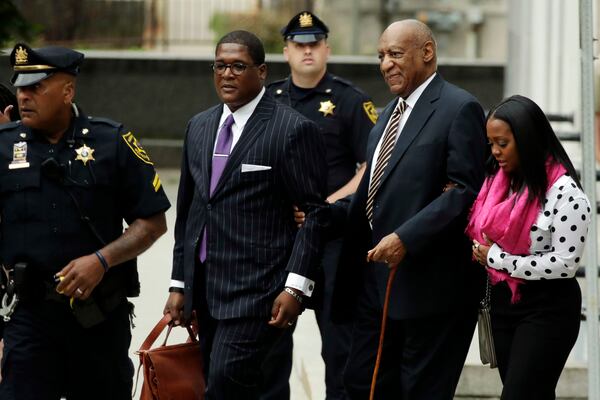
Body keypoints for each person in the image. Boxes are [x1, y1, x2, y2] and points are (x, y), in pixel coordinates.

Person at [326, 20, 487, 399]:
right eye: (381, 56)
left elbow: (465, 190)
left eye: (395, 54)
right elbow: (374, 189)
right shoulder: (386, 115)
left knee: (419, 390)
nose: (385, 65)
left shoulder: (459, 107)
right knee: (362, 384)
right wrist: (324, 212)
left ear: (427, 52)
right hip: (374, 286)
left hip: (428, 287)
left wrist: (405, 238)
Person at [163, 30, 328, 400]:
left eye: (239, 66)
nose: (227, 74)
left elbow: (316, 216)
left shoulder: (292, 130)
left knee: (223, 386)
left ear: (263, 72)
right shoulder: (200, 126)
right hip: (204, 291)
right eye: (220, 66)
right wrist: (179, 284)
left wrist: (295, 287)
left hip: (258, 292)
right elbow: (190, 212)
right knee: (231, 385)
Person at [0, 43, 170, 400]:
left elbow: (153, 222)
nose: (23, 96)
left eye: (35, 87)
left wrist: (102, 260)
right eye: (20, 87)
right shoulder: (4, 146)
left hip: (98, 318)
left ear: (67, 90)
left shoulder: (112, 141)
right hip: (29, 319)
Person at [264, 11, 376, 399]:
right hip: (281, 239)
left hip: (334, 243)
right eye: (299, 44)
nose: (307, 51)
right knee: (271, 342)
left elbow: (370, 166)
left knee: (340, 347)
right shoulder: (268, 100)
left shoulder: (350, 101)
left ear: (327, 48)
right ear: (286, 51)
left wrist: (326, 207)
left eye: (314, 44)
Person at [467, 95, 590, 399]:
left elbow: (565, 264)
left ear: (527, 138)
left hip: (548, 308)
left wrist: (497, 258)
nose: (495, 151)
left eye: (503, 143)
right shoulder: (500, 181)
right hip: (504, 303)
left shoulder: (566, 193)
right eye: (491, 143)